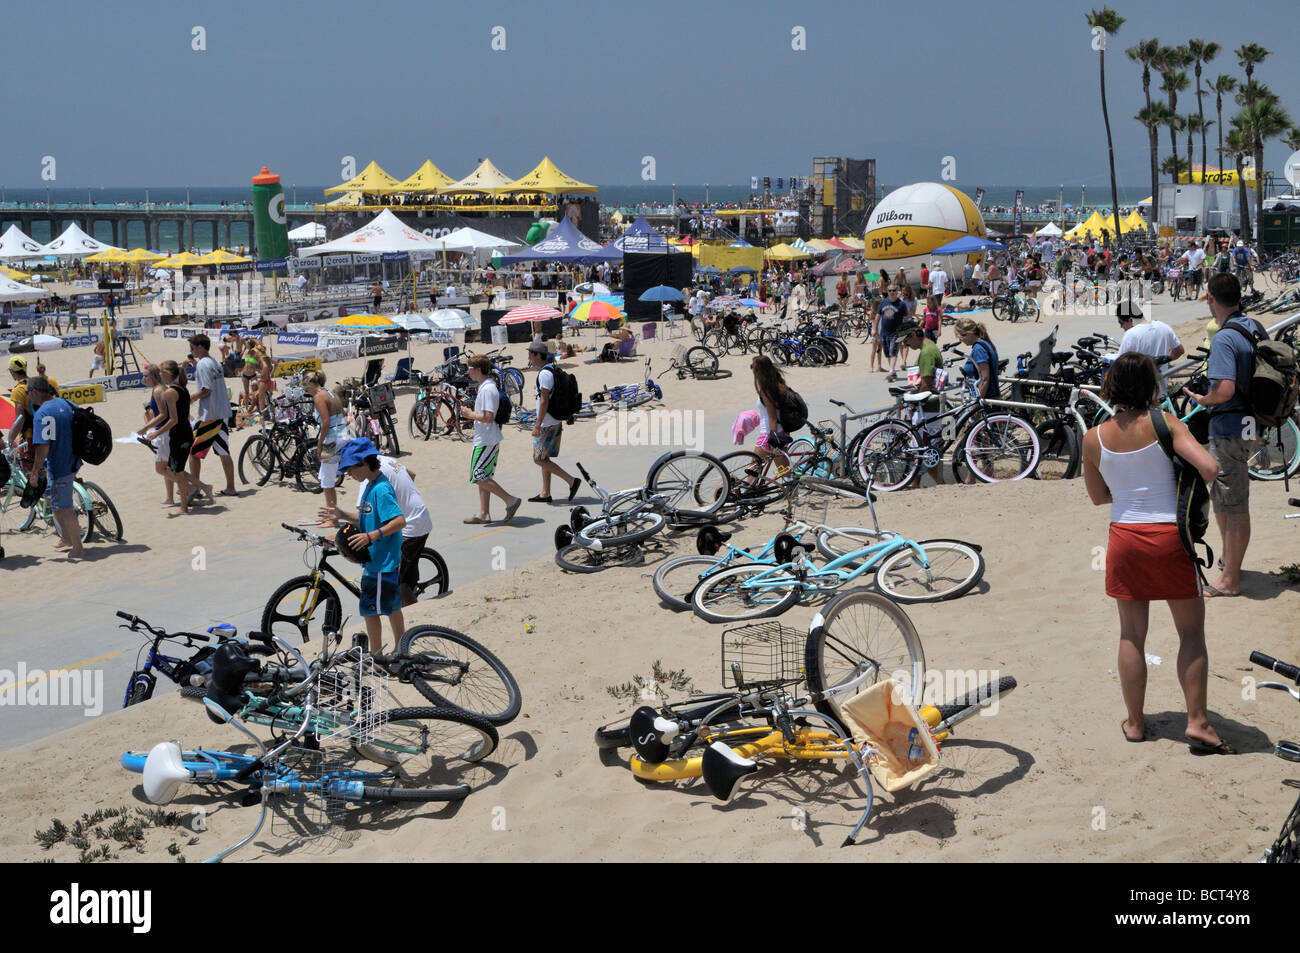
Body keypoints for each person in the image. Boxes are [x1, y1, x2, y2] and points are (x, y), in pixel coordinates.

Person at [1082, 352, 1231, 752]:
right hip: (1168, 538)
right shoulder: (1165, 423)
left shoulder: (1093, 437)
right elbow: (1210, 468)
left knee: (1131, 633)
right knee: (1190, 632)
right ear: (1150, 385)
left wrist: (1130, 489)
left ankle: (1134, 722)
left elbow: (1098, 497)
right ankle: (1197, 722)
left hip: (1125, 538)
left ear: (1112, 387)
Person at [1181, 273, 1266, 598]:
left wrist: (1204, 399)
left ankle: (1230, 581)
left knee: (1234, 504)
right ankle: (1231, 563)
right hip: (1251, 424)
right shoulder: (1252, 326)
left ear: (1212, 298)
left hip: (1230, 427)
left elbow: (1225, 388)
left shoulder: (1224, 338)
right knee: (1225, 498)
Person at [317, 438, 406, 652]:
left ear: (363, 463)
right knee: (390, 607)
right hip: (377, 562)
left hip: (381, 562)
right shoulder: (370, 486)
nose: (348, 474)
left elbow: (399, 521)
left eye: (349, 468)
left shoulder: (381, 490)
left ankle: (376, 655)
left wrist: (371, 536)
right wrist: (342, 515)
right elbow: (366, 519)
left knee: (370, 610)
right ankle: (402, 647)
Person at [23, 377, 84, 559]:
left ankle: (78, 548)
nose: (28, 397)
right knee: (52, 499)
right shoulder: (66, 403)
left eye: (28, 393)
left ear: (34, 392)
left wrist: (34, 472)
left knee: (65, 508)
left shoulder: (42, 414)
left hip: (60, 465)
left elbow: (42, 447)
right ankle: (66, 538)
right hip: (73, 460)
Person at [459, 355, 522, 525]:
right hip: (488, 437)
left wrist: (469, 414)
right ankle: (484, 513)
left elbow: (488, 417)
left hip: (486, 439)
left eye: (470, 369)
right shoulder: (487, 386)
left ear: (478, 370)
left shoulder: (487, 389)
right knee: (484, 476)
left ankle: (510, 500)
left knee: (478, 476)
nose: (468, 372)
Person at [144, 360, 211, 516]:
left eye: (161, 372)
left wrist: (155, 432)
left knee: (176, 472)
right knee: (174, 470)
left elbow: (172, 419)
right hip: (184, 433)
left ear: (168, 373)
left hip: (178, 436)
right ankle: (198, 491)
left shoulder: (169, 392)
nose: (160, 375)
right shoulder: (181, 389)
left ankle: (185, 505)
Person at [526, 341, 581, 503]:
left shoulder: (544, 374)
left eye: (530, 353)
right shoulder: (551, 369)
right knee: (545, 457)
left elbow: (544, 401)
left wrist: (537, 424)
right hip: (555, 419)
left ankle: (571, 481)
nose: (529, 356)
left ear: (537, 355)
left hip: (546, 422)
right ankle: (545, 493)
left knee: (539, 459)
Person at [186, 334, 237, 498]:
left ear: (200, 347)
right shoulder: (215, 362)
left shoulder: (202, 364)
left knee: (194, 454)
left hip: (210, 415)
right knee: (223, 451)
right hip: (222, 412)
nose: (191, 350)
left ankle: (196, 488)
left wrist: (189, 398)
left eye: (192, 348)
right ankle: (230, 487)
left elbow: (206, 390)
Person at [899, 320, 945, 486]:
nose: (905, 344)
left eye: (906, 340)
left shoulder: (926, 353)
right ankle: (914, 483)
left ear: (913, 335)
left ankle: (939, 483)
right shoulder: (930, 346)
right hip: (931, 409)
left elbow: (926, 384)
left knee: (922, 450)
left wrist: (911, 402)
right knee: (923, 449)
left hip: (927, 410)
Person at [1116, 300, 1184, 396]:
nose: (1121, 327)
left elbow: (1120, 366)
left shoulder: (1130, 335)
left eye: (1121, 323)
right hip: (1161, 392)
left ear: (1131, 320)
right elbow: (1180, 350)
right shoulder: (1164, 327)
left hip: (1139, 396)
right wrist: (1163, 360)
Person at [4, 356, 58, 473]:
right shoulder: (37, 383)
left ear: (12, 372)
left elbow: (20, 419)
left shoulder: (18, 390)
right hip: (49, 430)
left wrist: (10, 440)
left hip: (30, 436)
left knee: (31, 473)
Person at [305, 370, 347, 510]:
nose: (306, 391)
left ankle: (332, 516)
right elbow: (343, 414)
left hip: (332, 439)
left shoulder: (318, 397)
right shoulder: (331, 393)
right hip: (343, 435)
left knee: (327, 480)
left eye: (306, 387)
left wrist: (320, 444)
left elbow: (326, 422)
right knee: (327, 478)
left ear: (311, 383)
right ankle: (332, 514)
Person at [136, 364, 176, 505]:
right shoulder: (159, 389)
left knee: (160, 468)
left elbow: (163, 415)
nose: (144, 378)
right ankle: (170, 497)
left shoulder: (158, 391)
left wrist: (146, 427)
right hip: (165, 431)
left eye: (146, 376)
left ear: (153, 376)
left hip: (164, 432)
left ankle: (189, 486)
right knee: (167, 467)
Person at [876, 285, 910, 381]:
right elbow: (877, 316)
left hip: (896, 333)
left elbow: (906, 318)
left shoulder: (901, 304)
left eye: (894, 290)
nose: (892, 292)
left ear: (896, 291)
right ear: (887, 291)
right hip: (884, 332)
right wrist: (875, 329)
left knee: (893, 351)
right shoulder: (883, 303)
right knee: (887, 353)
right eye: (890, 290)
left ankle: (891, 371)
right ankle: (893, 371)